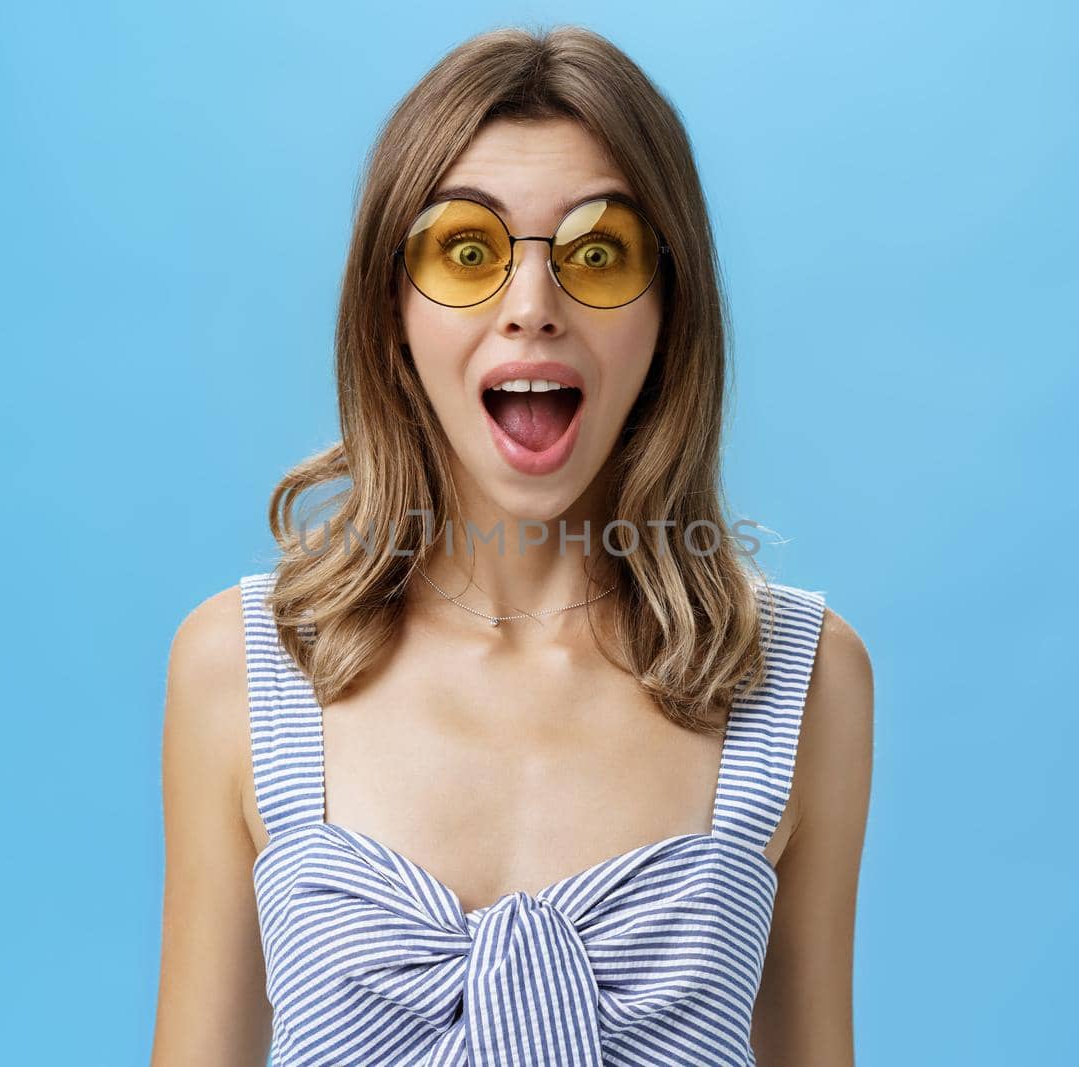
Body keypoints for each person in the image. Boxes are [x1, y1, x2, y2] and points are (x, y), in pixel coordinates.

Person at [152, 24, 873, 1067]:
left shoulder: (804, 680)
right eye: (466, 251)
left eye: (597, 254)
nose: (532, 308)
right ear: (388, 310)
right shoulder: (238, 669)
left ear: (670, 312)